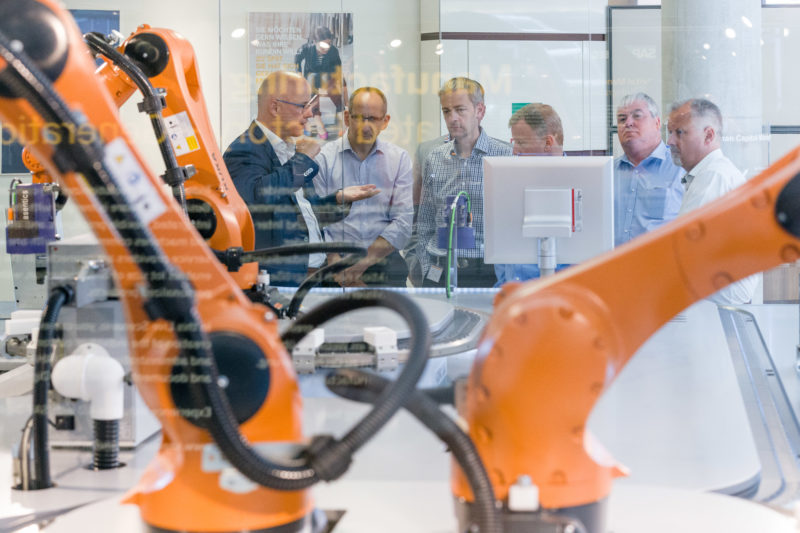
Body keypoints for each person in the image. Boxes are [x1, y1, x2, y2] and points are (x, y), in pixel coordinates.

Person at [223, 71, 377, 286]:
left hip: (311, 275)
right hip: (277, 280)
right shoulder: (245, 149)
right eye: (303, 106)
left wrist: (338, 199)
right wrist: (303, 159)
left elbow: (301, 213)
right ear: (275, 107)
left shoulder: (288, 148)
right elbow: (257, 201)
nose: (309, 115)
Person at [414, 77, 512, 288]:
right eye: (446, 111)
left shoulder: (505, 156)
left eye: (460, 110)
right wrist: (424, 267)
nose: (452, 118)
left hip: (487, 271)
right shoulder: (434, 158)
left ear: (480, 111)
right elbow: (425, 222)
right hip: (441, 268)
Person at [314, 87, 413, 286]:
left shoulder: (398, 159)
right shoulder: (324, 158)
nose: (366, 126)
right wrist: (336, 267)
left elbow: (402, 223)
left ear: (385, 121)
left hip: (382, 262)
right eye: (359, 117)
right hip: (334, 264)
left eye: (373, 118)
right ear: (347, 117)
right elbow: (317, 219)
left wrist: (358, 269)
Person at [667, 97, 757, 305]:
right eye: (670, 132)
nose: (670, 141)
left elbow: (679, 250)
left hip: (716, 310)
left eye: (679, 132)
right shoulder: (708, 174)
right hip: (712, 306)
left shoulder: (714, 176)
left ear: (708, 135)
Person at [494, 103, 569, 285]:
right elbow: (502, 246)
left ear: (548, 142)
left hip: (557, 298)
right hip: (512, 296)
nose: (514, 151)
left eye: (521, 143)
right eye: (514, 142)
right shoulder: (508, 183)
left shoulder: (582, 184)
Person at [614, 93, 684, 247]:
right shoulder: (608, 173)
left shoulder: (680, 168)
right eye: (622, 119)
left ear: (657, 123)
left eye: (637, 116)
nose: (628, 123)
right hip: (612, 267)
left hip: (660, 266)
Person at [294, 27, 345, 141]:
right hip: (311, 77)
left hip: (327, 76)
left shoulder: (333, 51)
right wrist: (299, 74)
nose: (326, 48)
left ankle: (343, 124)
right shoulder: (306, 48)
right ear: (314, 42)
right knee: (309, 94)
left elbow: (338, 69)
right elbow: (297, 60)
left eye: (329, 44)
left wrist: (334, 85)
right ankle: (317, 124)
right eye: (323, 45)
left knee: (337, 93)